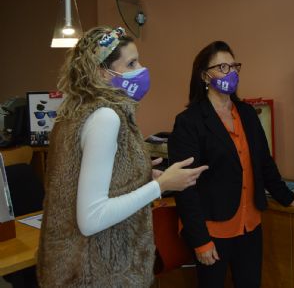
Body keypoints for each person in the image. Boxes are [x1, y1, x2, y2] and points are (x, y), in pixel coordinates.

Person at [37, 26, 208, 287]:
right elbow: (91, 218)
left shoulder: (73, 112)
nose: (141, 69)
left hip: (73, 268)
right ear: (103, 73)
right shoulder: (105, 117)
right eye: (131, 63)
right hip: (100, 273)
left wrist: (138, 173)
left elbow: (80, 180)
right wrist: (160, 186)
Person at [169, 40, 294, 288]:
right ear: (204, 75)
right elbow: (185, 188)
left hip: (250, 224)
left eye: (234, 66)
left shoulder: (246, 113)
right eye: (222, 67)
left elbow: (263, 160)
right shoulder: (189, 122)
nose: (230, 73)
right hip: (213, 230)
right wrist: (200, 241)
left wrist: (285, 195)